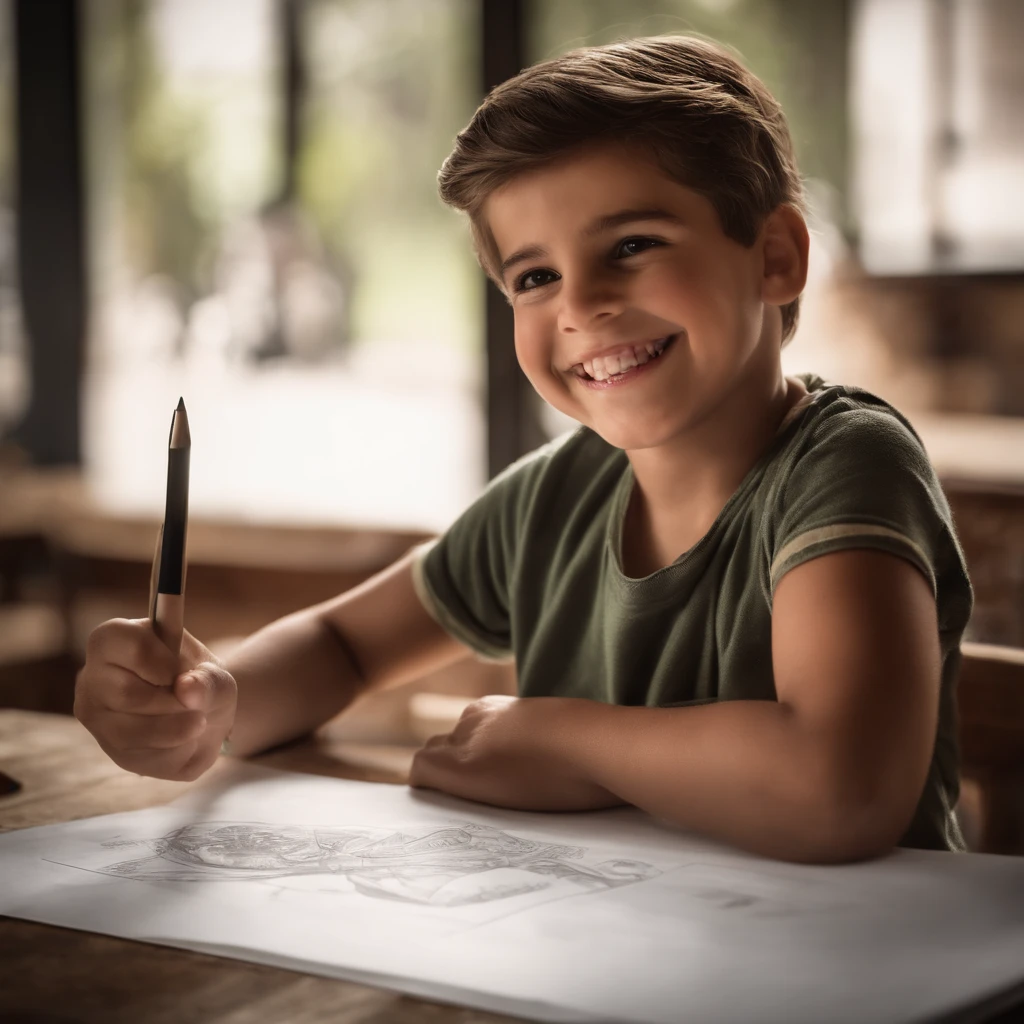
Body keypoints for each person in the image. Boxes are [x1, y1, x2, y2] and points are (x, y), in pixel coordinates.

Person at [75, 35, 972, 865]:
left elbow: (840, 789)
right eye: (534, 277)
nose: (581, 304)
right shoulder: (552, 500)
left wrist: (558, 739)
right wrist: (206, 702)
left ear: (774, 256)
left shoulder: (845, 466)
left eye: (632, 244)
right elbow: (343, 644)